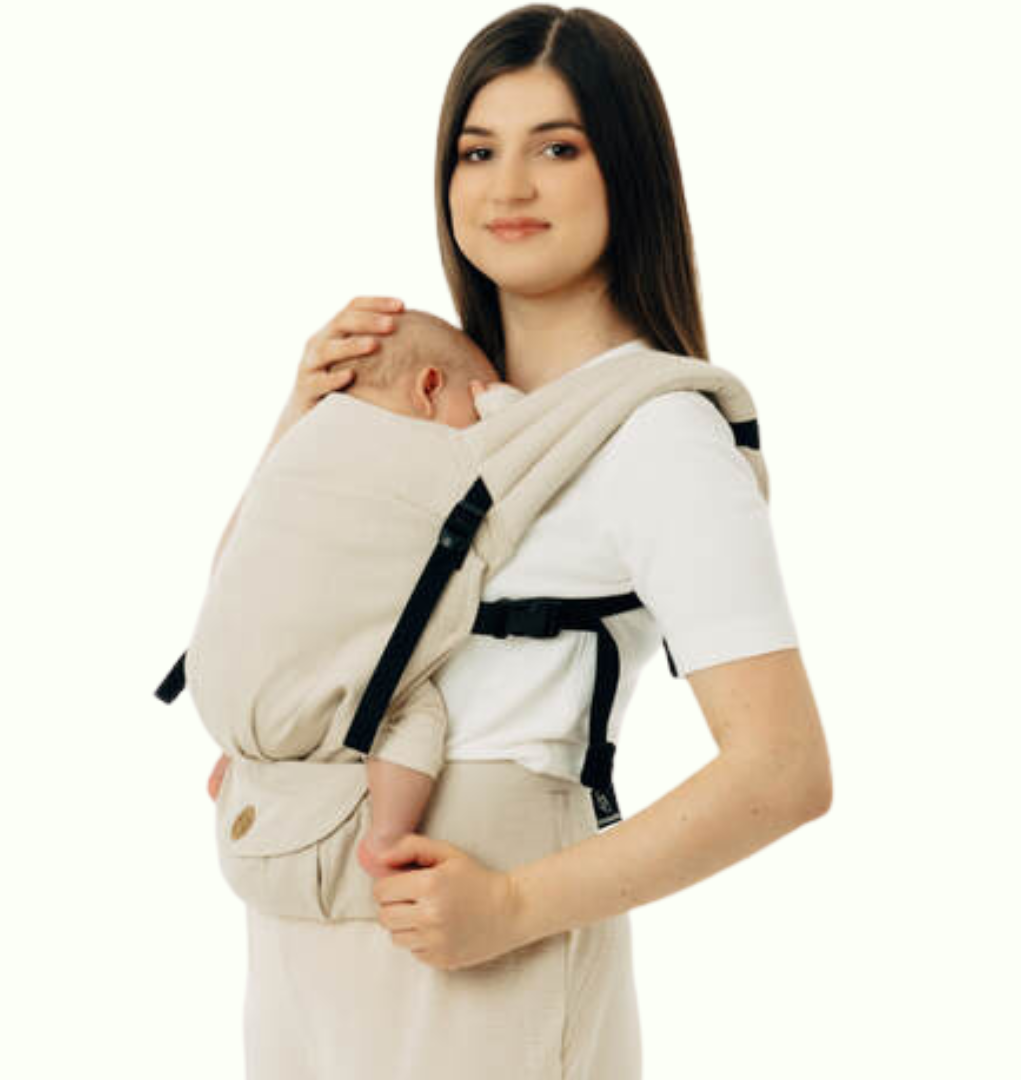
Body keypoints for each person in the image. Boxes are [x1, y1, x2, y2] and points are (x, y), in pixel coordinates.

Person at [209, 8, 832, 1078]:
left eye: (557, 148)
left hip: (484, 931)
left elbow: (783, 770)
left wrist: (511, 905)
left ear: (626, 170)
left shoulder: (658, 431)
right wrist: (301, 423)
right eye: (476, 151)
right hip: (304, 930)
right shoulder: (418, 392)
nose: (507, 187)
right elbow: (253, 610)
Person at [197, 308, 522, 882]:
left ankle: (248, 757)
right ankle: (388, 834)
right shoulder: (424, 456)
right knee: (409, 707)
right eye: (472, 401)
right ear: (428, 387)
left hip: (215, 684)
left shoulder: (303, 441)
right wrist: (501, 406)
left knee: (283, 644)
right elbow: (514, 450)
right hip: (297, 701)